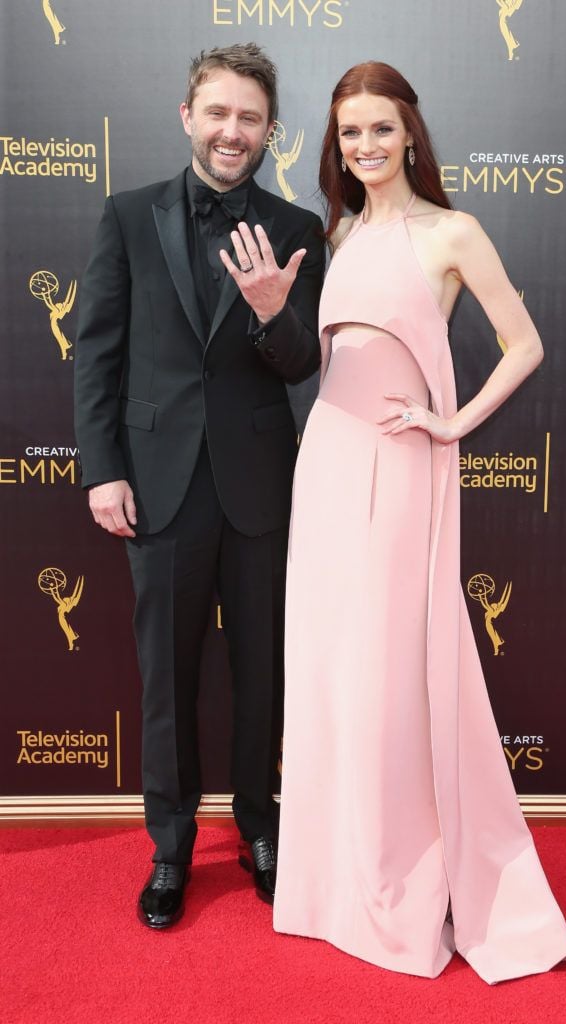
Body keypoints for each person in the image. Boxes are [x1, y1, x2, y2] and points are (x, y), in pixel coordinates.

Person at [273, 61, 566, 983]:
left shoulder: (452, 231)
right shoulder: (335, 234)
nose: (364, 147)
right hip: (325, 464)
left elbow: (523, 345)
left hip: (402, 468)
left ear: (410, 131)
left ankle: (406, 875)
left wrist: (449, 422)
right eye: (348, 134)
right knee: (330, 667)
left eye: (379, 129)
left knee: (391, 668)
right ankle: (334, 879)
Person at [74, 43, 323, 928]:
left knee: (263, 672)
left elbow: (304, 365)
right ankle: (170, 849)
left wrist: (268, 313)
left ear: (268, 131)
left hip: (259, 486)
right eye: (217, 112)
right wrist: (101, 468)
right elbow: (95, 354)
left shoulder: (298, 228)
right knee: (165, 679)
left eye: (249, 117)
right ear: (188, 115)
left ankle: (261, 828)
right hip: (157, 484)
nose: (232, 131)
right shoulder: (129, 215)